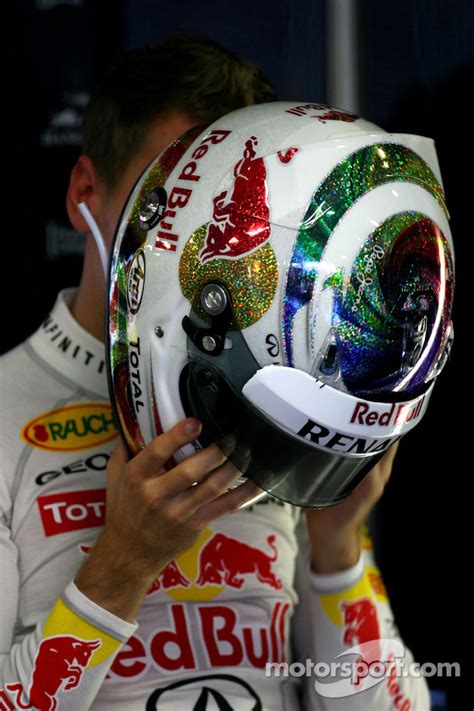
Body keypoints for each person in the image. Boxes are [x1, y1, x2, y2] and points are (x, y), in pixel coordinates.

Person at [0, 34, 432, 710]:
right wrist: (122, 565)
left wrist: (338, 545)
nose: (206, 247)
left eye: (231, 213)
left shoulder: (285, 400)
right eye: (176, 196)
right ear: (86, 190)